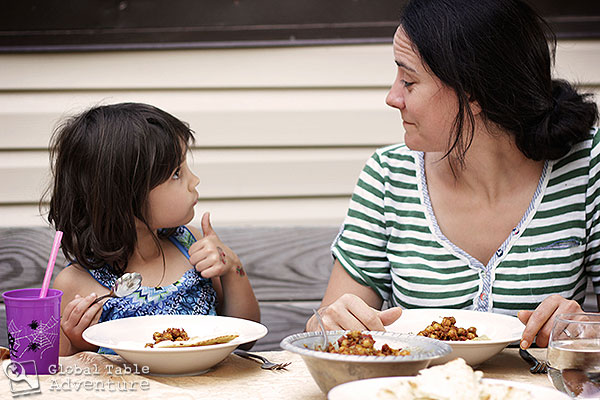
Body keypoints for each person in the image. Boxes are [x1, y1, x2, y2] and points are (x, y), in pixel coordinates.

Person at [306, 0, 599, 350]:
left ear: (474, 89)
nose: (392, 97)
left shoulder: (587, 166)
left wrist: (583, 329)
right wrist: (329, 322)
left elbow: (589, 333)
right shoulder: (388, 176)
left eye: (409, 80)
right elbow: (325, 328)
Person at [47, 102, 260, 356]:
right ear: (124, 197)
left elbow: (246, 336)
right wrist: (80, 344)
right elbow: (59, 376)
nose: (195, 181)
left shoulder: (193, 245)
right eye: (176, 173)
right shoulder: (75, 286)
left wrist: (231, 267)